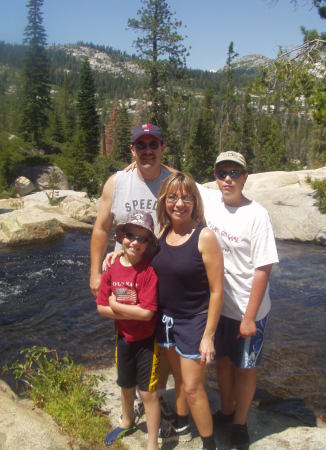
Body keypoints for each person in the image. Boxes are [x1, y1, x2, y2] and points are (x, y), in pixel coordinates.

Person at [90, 123, 173, 423]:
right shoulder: (117, 182)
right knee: (127, 332)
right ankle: (135, 394)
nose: (147, 150)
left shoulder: (172, 181)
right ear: (132, 150)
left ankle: (154, 395)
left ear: (162, 148)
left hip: (162, 271)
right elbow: (100, 228)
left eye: (153, 145)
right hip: (124, 271)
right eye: (141, 146)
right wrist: (94, 273)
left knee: (161, 337)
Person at [198, 151, 279, 448]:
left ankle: (241, 423)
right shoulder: (211, 202)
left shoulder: (257, 215)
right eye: (222, 173)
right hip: (219, 306)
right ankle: (227, 410)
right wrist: (142, 160)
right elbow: (179, 179)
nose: (228, 178)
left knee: (245, 367)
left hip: (249, 309)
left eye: (234, 173)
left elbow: (263, 268)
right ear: (216, 177)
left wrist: (249, 317)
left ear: (245, 176)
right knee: (221, 362)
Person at [151, 172, 224, 450]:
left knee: (193, 388)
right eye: (173, 197)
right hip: (166, 320)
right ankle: (182, 421)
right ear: (164, 201)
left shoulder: (204, 237)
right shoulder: (163, 232)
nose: (179, 203)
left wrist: (208, 335)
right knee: (179, 378)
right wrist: (115, 257)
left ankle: (209, 444)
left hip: (193, 321)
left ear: (195, 201)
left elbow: (217, 291)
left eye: (186, 197)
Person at [96, 210, 160, 450]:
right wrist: (114, 308)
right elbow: (101, 307)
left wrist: (116, 305)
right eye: (130, 235)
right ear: (121, 236)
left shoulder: (148, 272)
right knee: (125, 385)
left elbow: (147, 314)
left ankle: (152, 442)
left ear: (148, 245)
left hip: (146, 342)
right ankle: (127, 421)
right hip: (123, 338)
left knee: (148, 394)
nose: (135, 242)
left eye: (142, 239)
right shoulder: (111, 268)